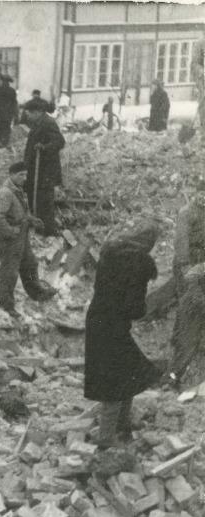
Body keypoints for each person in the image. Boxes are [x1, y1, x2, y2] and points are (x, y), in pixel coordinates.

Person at [84, 221, 162, 448]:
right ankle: (106, 442)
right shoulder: (141, 263)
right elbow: (135, 308)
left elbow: (100, 288)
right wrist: (143, 309)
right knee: (115, 382)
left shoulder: (110, 251)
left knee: (129, 371)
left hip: (97, 319)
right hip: (114, 326)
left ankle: (123, 425)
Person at [0, 162, 55, 318]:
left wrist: (32, 220)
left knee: (30, 264)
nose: (24, 178)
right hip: (10, 238)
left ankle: (36, 292)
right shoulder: (6, 193)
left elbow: (20, 213)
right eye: (21, 175)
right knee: (9, 272)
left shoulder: (18, 191)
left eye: (26, 175)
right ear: (11, 175)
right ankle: (6, 305)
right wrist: (11, 231)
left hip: (21, 236)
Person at [170, 187, 205, 388]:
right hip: (189, 266)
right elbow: (181, 243)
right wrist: (186, 269)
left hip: (200, 266)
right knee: (188, 309)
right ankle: (177, 364)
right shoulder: (187, 212)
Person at [23, 98, 65, 236]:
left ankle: (48, 232)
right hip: (36, 170)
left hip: (45, 171)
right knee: (34, 199)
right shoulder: (37, 123)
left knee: (44, 202)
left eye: (29, 112)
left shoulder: (48, 122)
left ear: (38, 112)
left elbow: (59, 141)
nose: (27, 115)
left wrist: (45, 147)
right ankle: (39, 229)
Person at [0, 73, 18, 148]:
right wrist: (15, 115)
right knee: (6, 129)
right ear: (9, 82)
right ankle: (3, 144)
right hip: (7, 114)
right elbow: (14, 104)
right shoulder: (12, 91)